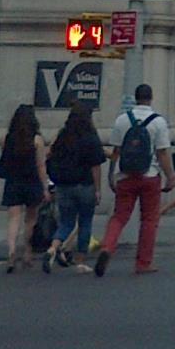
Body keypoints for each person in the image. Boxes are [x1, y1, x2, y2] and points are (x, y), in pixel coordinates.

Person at [94, 84, 175, 278]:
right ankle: (143, 263)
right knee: (149, 219)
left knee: (119, 216)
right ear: (151, 98)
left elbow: (116, 151)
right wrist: (170, 176)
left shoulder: (122, 120)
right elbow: (162, 153)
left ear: (136, 98)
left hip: (126, 176)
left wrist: (111, 175)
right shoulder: (158, 122)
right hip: (150, 176)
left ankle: (107, 246)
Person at [44, 101, 105, 273]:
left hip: (64, 185)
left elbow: (50, 155)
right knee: (85, 222)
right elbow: (95, 166)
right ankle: (80, 262)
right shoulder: (91, 137)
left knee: (66, 223)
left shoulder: (63, 135)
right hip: (85, 184)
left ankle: (52, 248)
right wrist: (98, 189)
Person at [0, 104, 50, 273]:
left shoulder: (6, 139)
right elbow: (41, 166)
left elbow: (5, 160)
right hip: (31, 182)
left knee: (13, 219)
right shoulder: (36, 140)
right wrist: (45, 187)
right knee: (30, 219)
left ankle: (11, 250)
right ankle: (27, 251)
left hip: (13, 182)